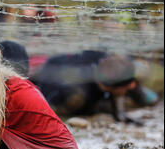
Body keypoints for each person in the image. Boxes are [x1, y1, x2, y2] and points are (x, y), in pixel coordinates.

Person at [31, 51, 159, 125]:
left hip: (64, 62)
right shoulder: (77, 94)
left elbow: (151, 99)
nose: (132, 85)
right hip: (50, 79)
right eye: (127, 84)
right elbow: (51, 111)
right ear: (107, 86)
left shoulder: (106, 61)